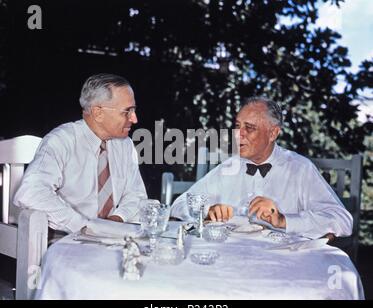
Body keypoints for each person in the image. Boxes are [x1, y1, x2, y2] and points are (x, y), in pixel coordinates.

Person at [170, 97, 353, 239]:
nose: (238, 134)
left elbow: (342, 220)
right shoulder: (228, 168)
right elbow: (178, 206)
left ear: (273, 133)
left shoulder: (299, 168)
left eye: (249, 128)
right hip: (230, 260)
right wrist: (207, 210)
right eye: (237, 126)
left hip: (282, 265)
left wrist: (283, 220)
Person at [13, 73, 147, 233]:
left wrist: (115, 220)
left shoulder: (125, 145)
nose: (134, 119)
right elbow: (31, 193)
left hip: (111, 238)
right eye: (127, 112)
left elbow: (136, 195)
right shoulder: (61, 141)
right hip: (65, 238)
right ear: (98, 113)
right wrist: (84, 227)